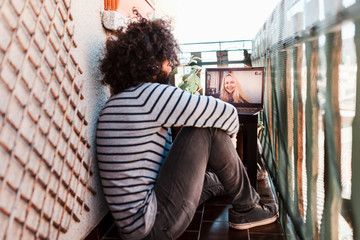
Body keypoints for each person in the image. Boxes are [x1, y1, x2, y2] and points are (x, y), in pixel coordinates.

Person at [96, 17, 278, 240]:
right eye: (167, 59)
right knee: (207, 127)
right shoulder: (150, 94)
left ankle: (234, 185)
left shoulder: (120, 99)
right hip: (153, 225)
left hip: (135, 222)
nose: (171, 65)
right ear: (151, 63)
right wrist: (229, 145)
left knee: (215, 179)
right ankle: (248, 208)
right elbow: (227, 113)